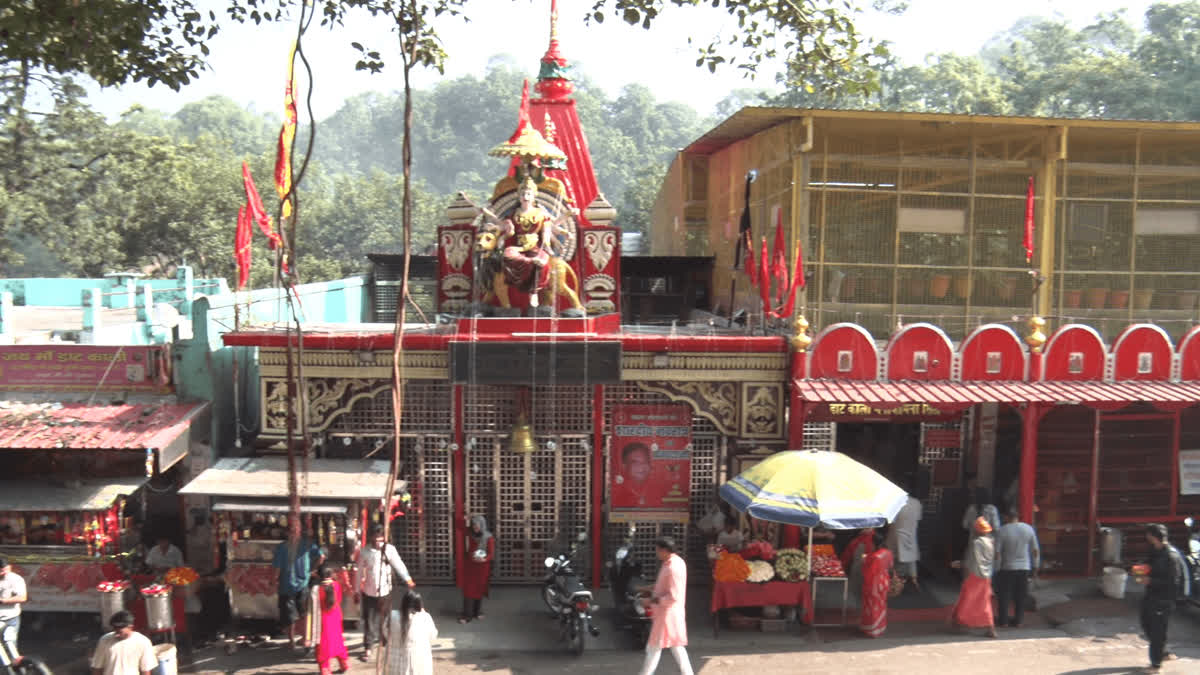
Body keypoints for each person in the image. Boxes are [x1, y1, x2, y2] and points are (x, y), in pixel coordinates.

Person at [637, 537, 693, 675]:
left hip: (668, 614)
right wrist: (647, 588)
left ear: (663, 550)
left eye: (657, 550)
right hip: (670, 613)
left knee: (654, 648)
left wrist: (650, 600)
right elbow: (663, 586)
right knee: (676, 647)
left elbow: (672, 596)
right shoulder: (673, 562)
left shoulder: (673, 567)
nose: (656, 553)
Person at [357, 525, 413, 660]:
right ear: (371, 538)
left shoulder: (389, 550)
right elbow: (359, 572)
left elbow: (398, 564)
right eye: (376, 540)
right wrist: (356, 589)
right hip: (369, 591)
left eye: (381, 540)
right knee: (369, 620)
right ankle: (368, 647)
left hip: (385, 589)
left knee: (386, 618)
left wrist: (407, 578)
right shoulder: (365, 551)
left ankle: (385, 640)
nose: (378, 543)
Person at [1138, 524, 1184, 672]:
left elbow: (1173, 582)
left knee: (1158, 630)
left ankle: (1156, 665)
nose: (1147, 538)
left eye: (1148, 535)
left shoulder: (1171, 556)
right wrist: (1140, 570)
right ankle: (1163, 652)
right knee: (1146, 622)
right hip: (1151, 595)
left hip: (1164, 599)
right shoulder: (1154, 550)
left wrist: (1151, 581)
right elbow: (1148, 563)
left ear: (1153, 536)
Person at [273, 533, 326, 650]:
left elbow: (321, 556)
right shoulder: (286, 547)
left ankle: (298, 640)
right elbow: (321, 556)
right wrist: (312, 569)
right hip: (291, 585)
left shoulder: (301, 545)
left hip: (294, 585)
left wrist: (312, 569)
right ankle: (298, 640)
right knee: (296, 615)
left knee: (296, 614)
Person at [950, 516, 997, 638]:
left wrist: (961, 565)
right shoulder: (991, 542)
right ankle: (990, 627)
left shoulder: (976, 543)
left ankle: (959, 623)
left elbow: (972, 561)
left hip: (974, 575)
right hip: (986, 576)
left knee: (967, 600)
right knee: (984, 602)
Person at [994, 510, 1040, 628]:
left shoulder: (1002, 531)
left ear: (1006, 517)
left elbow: (997, 553)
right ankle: (1018, 621)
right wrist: (1035, 566)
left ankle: (1003, 621)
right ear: (1017, 517)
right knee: (1020, 595)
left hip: (1007, 568)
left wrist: (997, 568)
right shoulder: (1028, 529)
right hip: (1024, 568)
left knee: (1004, 595)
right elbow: (1035, 550)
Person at [90, 610, 157, 675]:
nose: (116, 635)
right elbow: (97, 668)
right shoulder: (104, 640)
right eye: (115, 631)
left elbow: (145, 670)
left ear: (130, 627)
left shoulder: (143, 642)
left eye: (120, 632)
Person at [389, 591, 438, 675]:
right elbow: (433, 636)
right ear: (419, 605)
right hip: (419, 661)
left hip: (396, 660)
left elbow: (386, 633)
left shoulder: (392, 616)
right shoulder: (425, 617)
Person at [311, 567, 349, 675]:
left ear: (319, 576)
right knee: (338, 640)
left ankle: (325, 668)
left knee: (322, 644)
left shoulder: (316, 589)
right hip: (336, 617)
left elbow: (313, 607)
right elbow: (339, 599)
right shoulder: (336, 585)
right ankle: (344, 663)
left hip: (323, 619)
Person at [458, 515, 494, 624]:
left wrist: (484, 560)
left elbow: (491, 554)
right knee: (469, 591)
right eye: (473, 525)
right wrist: (464, 519)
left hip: (482, 567)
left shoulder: (489, 537)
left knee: (479, 589)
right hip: (470, 566)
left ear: (482, 525)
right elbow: (459, 526)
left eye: (477, 525)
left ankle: (477, 612)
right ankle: (467, 615)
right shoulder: (470, 533)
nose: (475, 528)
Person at [860, 531, 893, 638]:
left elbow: (869, 573)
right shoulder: (888, 553)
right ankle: (880, 627)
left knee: (871, 606)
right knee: (881, 605)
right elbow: (890, 566)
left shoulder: (875, 557)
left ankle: (872, 629)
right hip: (884, 582)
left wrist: (864, 561)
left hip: (873, 584)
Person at [887, 493, 922, 591]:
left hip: (895, 535)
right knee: (910, 559)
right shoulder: (917, 503)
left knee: (894, 562)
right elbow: (917, 519)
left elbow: (890, 521)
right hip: (910, 535)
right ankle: (913, 580)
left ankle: (895, 584)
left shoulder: (895, 502)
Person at [0, 557, 27, 667]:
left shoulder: (16, 579)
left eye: (5, 569)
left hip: (11, 617)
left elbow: (22, 597)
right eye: (1, 570)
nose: (3, 572)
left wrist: (3, 601)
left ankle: (16, 668)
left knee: (10, 643)